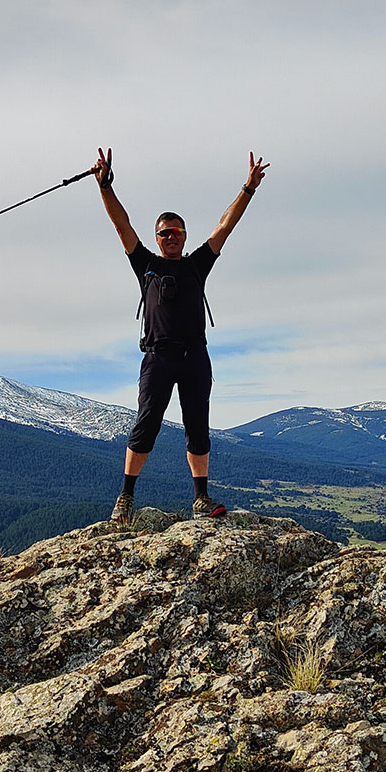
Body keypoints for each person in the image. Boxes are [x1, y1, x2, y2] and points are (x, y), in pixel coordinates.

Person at [93, 147, 268, 524]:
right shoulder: (146, 265)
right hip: (157, 356)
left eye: (176, 232)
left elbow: (225, 226)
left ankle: (201, 499)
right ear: (157, 238)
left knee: (197, 425)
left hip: (194, 357)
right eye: (164, 233)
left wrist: (248, 189)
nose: (171, 237)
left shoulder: (196, 265)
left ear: (184, 236)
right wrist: (106, 187)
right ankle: (125, 497)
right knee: (147, 423)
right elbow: (122, 225)